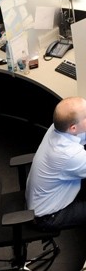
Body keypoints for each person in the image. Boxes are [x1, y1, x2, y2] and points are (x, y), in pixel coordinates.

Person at [26, 97, 86, 231]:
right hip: (47, 216)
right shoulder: (69, 154)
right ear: (73, 128)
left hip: (41, 198)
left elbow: (81, 134)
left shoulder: (58, 127)